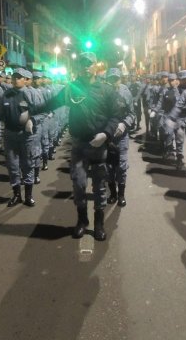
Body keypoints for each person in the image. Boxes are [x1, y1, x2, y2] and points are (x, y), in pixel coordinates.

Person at [38, 52, 123, 241]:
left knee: (99, 186)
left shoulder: (107, 90)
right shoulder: (71, 88)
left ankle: (99, 223)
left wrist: (106, 134)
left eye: (89, 63)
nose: (86, 66)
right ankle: (82, 220)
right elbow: (52, 103)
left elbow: (116, 115)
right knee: (78, 183)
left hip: (99, 144)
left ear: (96, 66)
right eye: (83, 63)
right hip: (78, 144)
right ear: (79, 66)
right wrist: (31, 111)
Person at [0, 68, 40, 207]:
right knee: (12, 166)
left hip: (26, 136)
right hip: (10, 135)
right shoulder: (6, 95)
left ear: (25, 80)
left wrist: (32, 121)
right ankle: (16, 195)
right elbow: (0, 114)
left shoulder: (31, 94)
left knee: (27, 164)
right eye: (14, 77)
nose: (16, 79)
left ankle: (28, 195)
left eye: (19, 77)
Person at [105, 68, 134, 207]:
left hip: (121, 136)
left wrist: (124, 124)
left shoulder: (125, 92)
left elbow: (132, 114)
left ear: (120, 79)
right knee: (109, 166)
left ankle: (121, 194)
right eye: (111, 79)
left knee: (121, 166)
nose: (113, 82)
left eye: (116, 79)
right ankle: (113, 193)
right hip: (107, 137)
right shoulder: (102, 93)